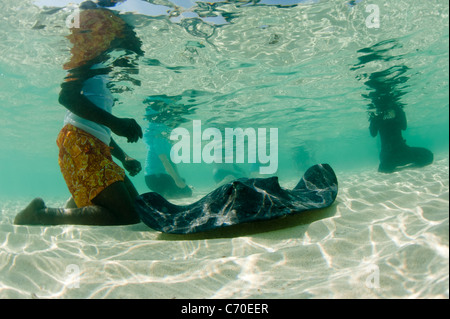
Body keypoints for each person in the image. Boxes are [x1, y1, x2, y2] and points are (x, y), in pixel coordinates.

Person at [14, 0, 144, 225]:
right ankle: (39, 216)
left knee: (138, 209)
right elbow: (66, 97)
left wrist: (124, 157)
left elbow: (97, 128)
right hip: (79, 143)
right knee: (127, 216)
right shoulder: (90, 55)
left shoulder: (102, 76)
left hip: (93, 145)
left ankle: (78, 203)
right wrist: (117, 123)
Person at [369, 105, 433, 173]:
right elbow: (404, 127)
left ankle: (391, 164)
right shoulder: (392, 112)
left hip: (392, 154)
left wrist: (374, 119)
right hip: (398, 152)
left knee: (428, 156)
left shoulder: (379, 116)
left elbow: (373, 134)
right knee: (428, 155)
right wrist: (399, 112)